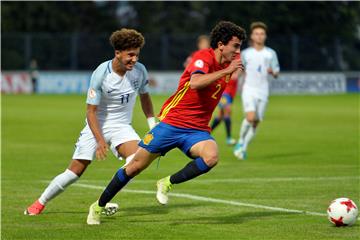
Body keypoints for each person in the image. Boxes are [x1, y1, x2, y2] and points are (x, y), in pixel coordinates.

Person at [86, 21, 246, 225]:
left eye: (240, 46)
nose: (238, 51)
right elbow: (195, 83)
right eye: (236, 46)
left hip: (197, 130)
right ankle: (98, 206)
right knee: (135, 166)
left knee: (211, 156)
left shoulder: (232, 61)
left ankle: (167, 183)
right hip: (172, 123)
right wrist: (227, 71)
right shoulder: (202, 57)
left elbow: (237, 69)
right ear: (221, 45)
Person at [24, 28, 156, 216]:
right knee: (74, 172)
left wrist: (153, 126)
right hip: (97, 125)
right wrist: (100, 140)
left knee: (136, 162)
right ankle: (38, 203)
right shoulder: (101, 73)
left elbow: (145, 98)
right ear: (117, 53)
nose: (134, 60)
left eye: (137, 55)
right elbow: (90, 112)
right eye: (130, 55)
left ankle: (101, 204)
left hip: (122, 127)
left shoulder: (140, 71)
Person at [233, 22, 280, 160]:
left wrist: (273, 72)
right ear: (252, 36)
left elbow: (277, 71)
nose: (259, 36)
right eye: (256, 34)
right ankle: (241, 140)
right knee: (250, 117)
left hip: (263, 91)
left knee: (256, 122)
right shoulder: (246, 54)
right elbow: (240, 69)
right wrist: (235, 75)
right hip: (249, 89)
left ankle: (243, 148)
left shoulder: (271, 53)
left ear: (265, 36)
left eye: (262, 34)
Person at [210, 68, 241, 145]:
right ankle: (229, 138)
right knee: (227, 113)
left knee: (220, 117)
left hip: (229, 96)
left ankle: (206, 133)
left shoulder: (233, 70)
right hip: (224, 95)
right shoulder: (228, 72)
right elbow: (236, 75)